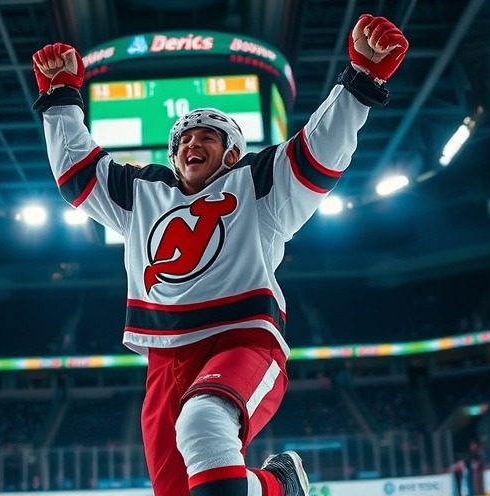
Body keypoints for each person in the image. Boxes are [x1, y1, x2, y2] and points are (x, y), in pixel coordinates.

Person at [31, 13, 408, 496]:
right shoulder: (142, 192)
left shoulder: (259, 183)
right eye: (184, 139)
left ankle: (279, 484)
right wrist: (61, 98)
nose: (192, 142)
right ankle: (279, 488)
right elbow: (77, 173)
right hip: (164, 362)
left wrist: (360, 80)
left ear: (231, 154)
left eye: (207, 136)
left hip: (242, 341)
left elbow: (319, 150)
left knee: (203, 423)